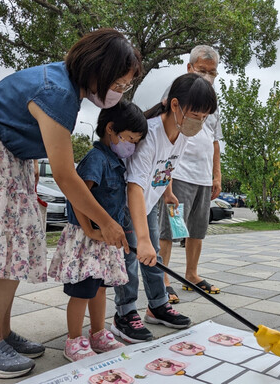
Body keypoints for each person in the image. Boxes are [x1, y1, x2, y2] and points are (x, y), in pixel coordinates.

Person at [0, 28, 140, 378]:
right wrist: (109, 223)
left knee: (14, 244)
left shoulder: (64, 84)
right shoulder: (58, 92)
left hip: (8, 154)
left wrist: (94, 221)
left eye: (125, 86)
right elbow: (67, 176)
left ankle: (1, 331)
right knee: (8, 248)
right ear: (98, 70)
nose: (120, 91)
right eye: (119, 82)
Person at [111, 73, 217, 343]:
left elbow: (167, 167)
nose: (199, 123)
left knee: (154, 256)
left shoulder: (182, 133)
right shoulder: (150, 134)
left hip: (150, 201)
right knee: (132, 258)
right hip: (127, 207)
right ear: (174, 105)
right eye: (195, 114)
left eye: (205, 117)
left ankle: (157, 306)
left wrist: (167, 193)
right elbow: (133, 187)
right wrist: (142, 238)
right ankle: (124, 314)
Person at [48, 101, 148, 361]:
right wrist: (89, 230)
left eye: (136, 141)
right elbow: (76, 195)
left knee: (101, 287)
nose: (132, 146)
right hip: (87, 238)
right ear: (111, 129)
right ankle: (73, 340)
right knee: (82, 290)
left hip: (106, 238)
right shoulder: (96, 159)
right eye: (129, 139)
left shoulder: (116, 161)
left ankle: (98, 332)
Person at [158, 45, 223, 303]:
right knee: (169, 230)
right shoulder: (178, 91)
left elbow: (215, 140)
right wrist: (168, 179)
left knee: (198, 229)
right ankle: (163, 279)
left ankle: (191, 274)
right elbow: (165, 133)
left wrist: (216, 175)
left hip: (203, 176)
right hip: (180, 173)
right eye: (202, 70)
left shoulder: (213, 101)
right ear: (189, 68)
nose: (207, 76)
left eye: (212, 72)